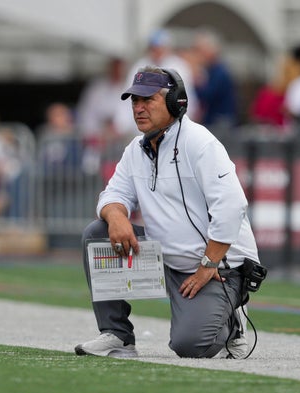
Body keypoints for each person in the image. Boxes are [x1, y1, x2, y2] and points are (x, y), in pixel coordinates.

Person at [75, 66, 261, 359]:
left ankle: (233, 321)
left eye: (148, 100)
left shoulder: (200, 142)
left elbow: (232, 205)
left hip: (217, 267)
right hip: (166, 259)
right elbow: (112, 195)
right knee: (97, 234)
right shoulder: (135, 150)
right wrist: (117, 216)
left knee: (191, 346)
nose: (139, 108)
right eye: (134, 101)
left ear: (176, 102)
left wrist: (209, 263)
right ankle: (117, 336)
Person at [114, 29, 200, 135]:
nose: (157, 51)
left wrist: (184, 125)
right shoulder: (139, 66)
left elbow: (187, 99)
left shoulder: (179, 67)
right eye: (154, 47)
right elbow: (128, 101)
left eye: (160, 47)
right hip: (143, 132)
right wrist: (120, 125)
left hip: (173, 129)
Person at [191, 28, 238, 130]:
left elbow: (208, 95)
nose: (199, 54)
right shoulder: (212, 70)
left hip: (220, 122)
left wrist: (197, 82)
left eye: (201, 50)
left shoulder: (220, 71)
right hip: (216, 120)